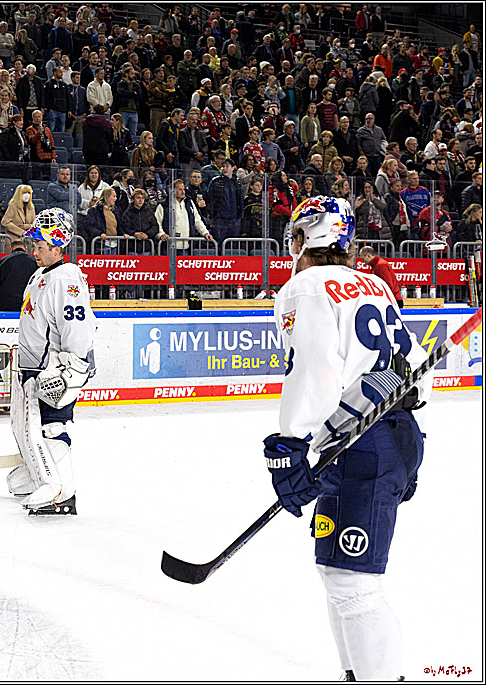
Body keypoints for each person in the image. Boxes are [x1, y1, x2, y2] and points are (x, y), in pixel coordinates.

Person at [268, 196, 431, 681]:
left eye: (295, 236)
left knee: (355, 585)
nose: (292, 246)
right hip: (389, 437)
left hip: (361, 446)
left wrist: (290, 445)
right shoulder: (374, 284)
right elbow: (413, 377)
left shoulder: (306, 286)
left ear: (306, 238)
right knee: (338, 575)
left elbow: (313, 372)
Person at [5, 207, 94, 515]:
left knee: (54, 427)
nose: (34, 250)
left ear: (57, 247)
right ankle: (41, 477)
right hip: (34, 367)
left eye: (40, 245)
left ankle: (62, 492)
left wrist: (74, 366)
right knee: (35, 428)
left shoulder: (66, 279)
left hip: (52, 369)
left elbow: (77, 327)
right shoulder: (41, 274)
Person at [155, 178, 216, 250]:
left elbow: (197, 221)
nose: (183, 192)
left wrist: (205, 233)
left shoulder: (189, 203)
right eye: (180, 189)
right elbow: (157, 223)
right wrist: (161, 234)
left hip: (187, 246)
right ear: (173, 191)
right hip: (169, 246)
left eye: (183, 189)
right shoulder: (164, 205)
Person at [0, 240, 38, 311]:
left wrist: (0, 298)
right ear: (25, 248)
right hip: (29, 304)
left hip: (7, 303)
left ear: (11, 248)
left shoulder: (3, 261)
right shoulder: (34, 261)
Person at [206, 158, 244, 245]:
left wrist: (240, 216)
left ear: (233, 168)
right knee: (219, 244)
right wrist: (212, 215)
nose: (224, 168)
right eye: (223, 166)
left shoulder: (238, 183)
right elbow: (209, 199)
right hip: (219, 219)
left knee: (232, 246)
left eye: (227, 166)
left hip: (234, 219)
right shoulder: (215, 181)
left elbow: (241, 200)